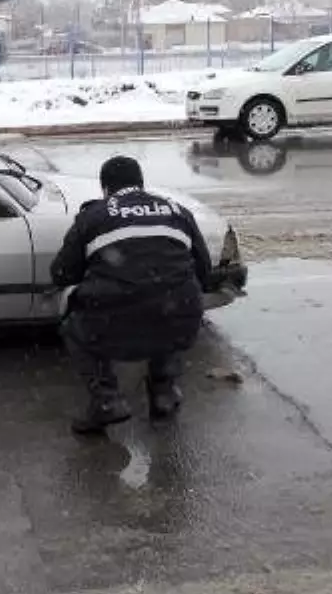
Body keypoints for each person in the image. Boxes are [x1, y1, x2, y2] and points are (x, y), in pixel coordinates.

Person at [51, 155, 213, 435]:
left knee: (72, 322)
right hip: (180, 316)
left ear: (105, 189)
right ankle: (163, 393)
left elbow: (62, 274)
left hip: (115, 321)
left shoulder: (93, 216)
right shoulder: (177, 211)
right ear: (141, 183)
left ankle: (107, 400)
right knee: (169, 304)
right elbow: (204, 270)